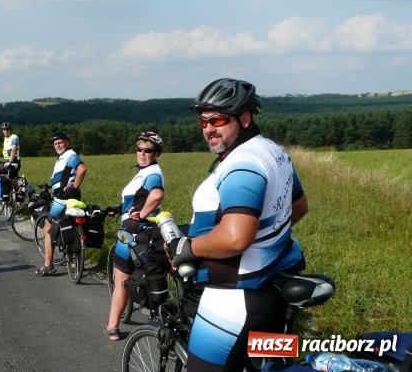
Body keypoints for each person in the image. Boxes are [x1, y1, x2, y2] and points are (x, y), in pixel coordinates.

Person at [166, 78, 308, 371]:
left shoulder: (243, 163)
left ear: (244, 119)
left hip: (232, 299)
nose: (208, 129)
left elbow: (234, 238)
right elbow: (299, 206)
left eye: (218, 119)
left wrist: (189, 247)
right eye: (202, 122)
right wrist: (264, 238)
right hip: (272, 290)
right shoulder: (275, 152)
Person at [104, 131, 166, 340]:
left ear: (156, 153)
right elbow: (138, 199)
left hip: (130, 232)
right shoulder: (144, 172)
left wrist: (139, 215)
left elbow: (157, 195)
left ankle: (112, 326)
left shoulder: (153, 174)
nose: (142, 153)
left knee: (121, 276)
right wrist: (119, 208)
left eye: (147, 150)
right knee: (138, 275)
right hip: (147, 234)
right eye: (139, 149)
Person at [35, 131, 87, 276]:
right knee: (68, 225)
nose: (58, 145)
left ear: (67, 143)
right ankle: (73, 257)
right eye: (55, 143)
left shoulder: (70, 155)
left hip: (63, 200)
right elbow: (65, 177)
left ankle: (48, 265)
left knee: (47, 228)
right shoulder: (62, 158)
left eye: (61, 142)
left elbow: (82, 168)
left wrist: (73, 187)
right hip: (66, 197)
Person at [0, 122, 21, 200]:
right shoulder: (6, 139)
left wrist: (9, 161)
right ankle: (19, 208)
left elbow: (13, 150)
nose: (6, 131)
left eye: (8, 129)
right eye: (4, 130)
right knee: (14, 184)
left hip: (13, 163)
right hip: (13, 163)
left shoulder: (14, 137)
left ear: (11, 130)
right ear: (2, 131)